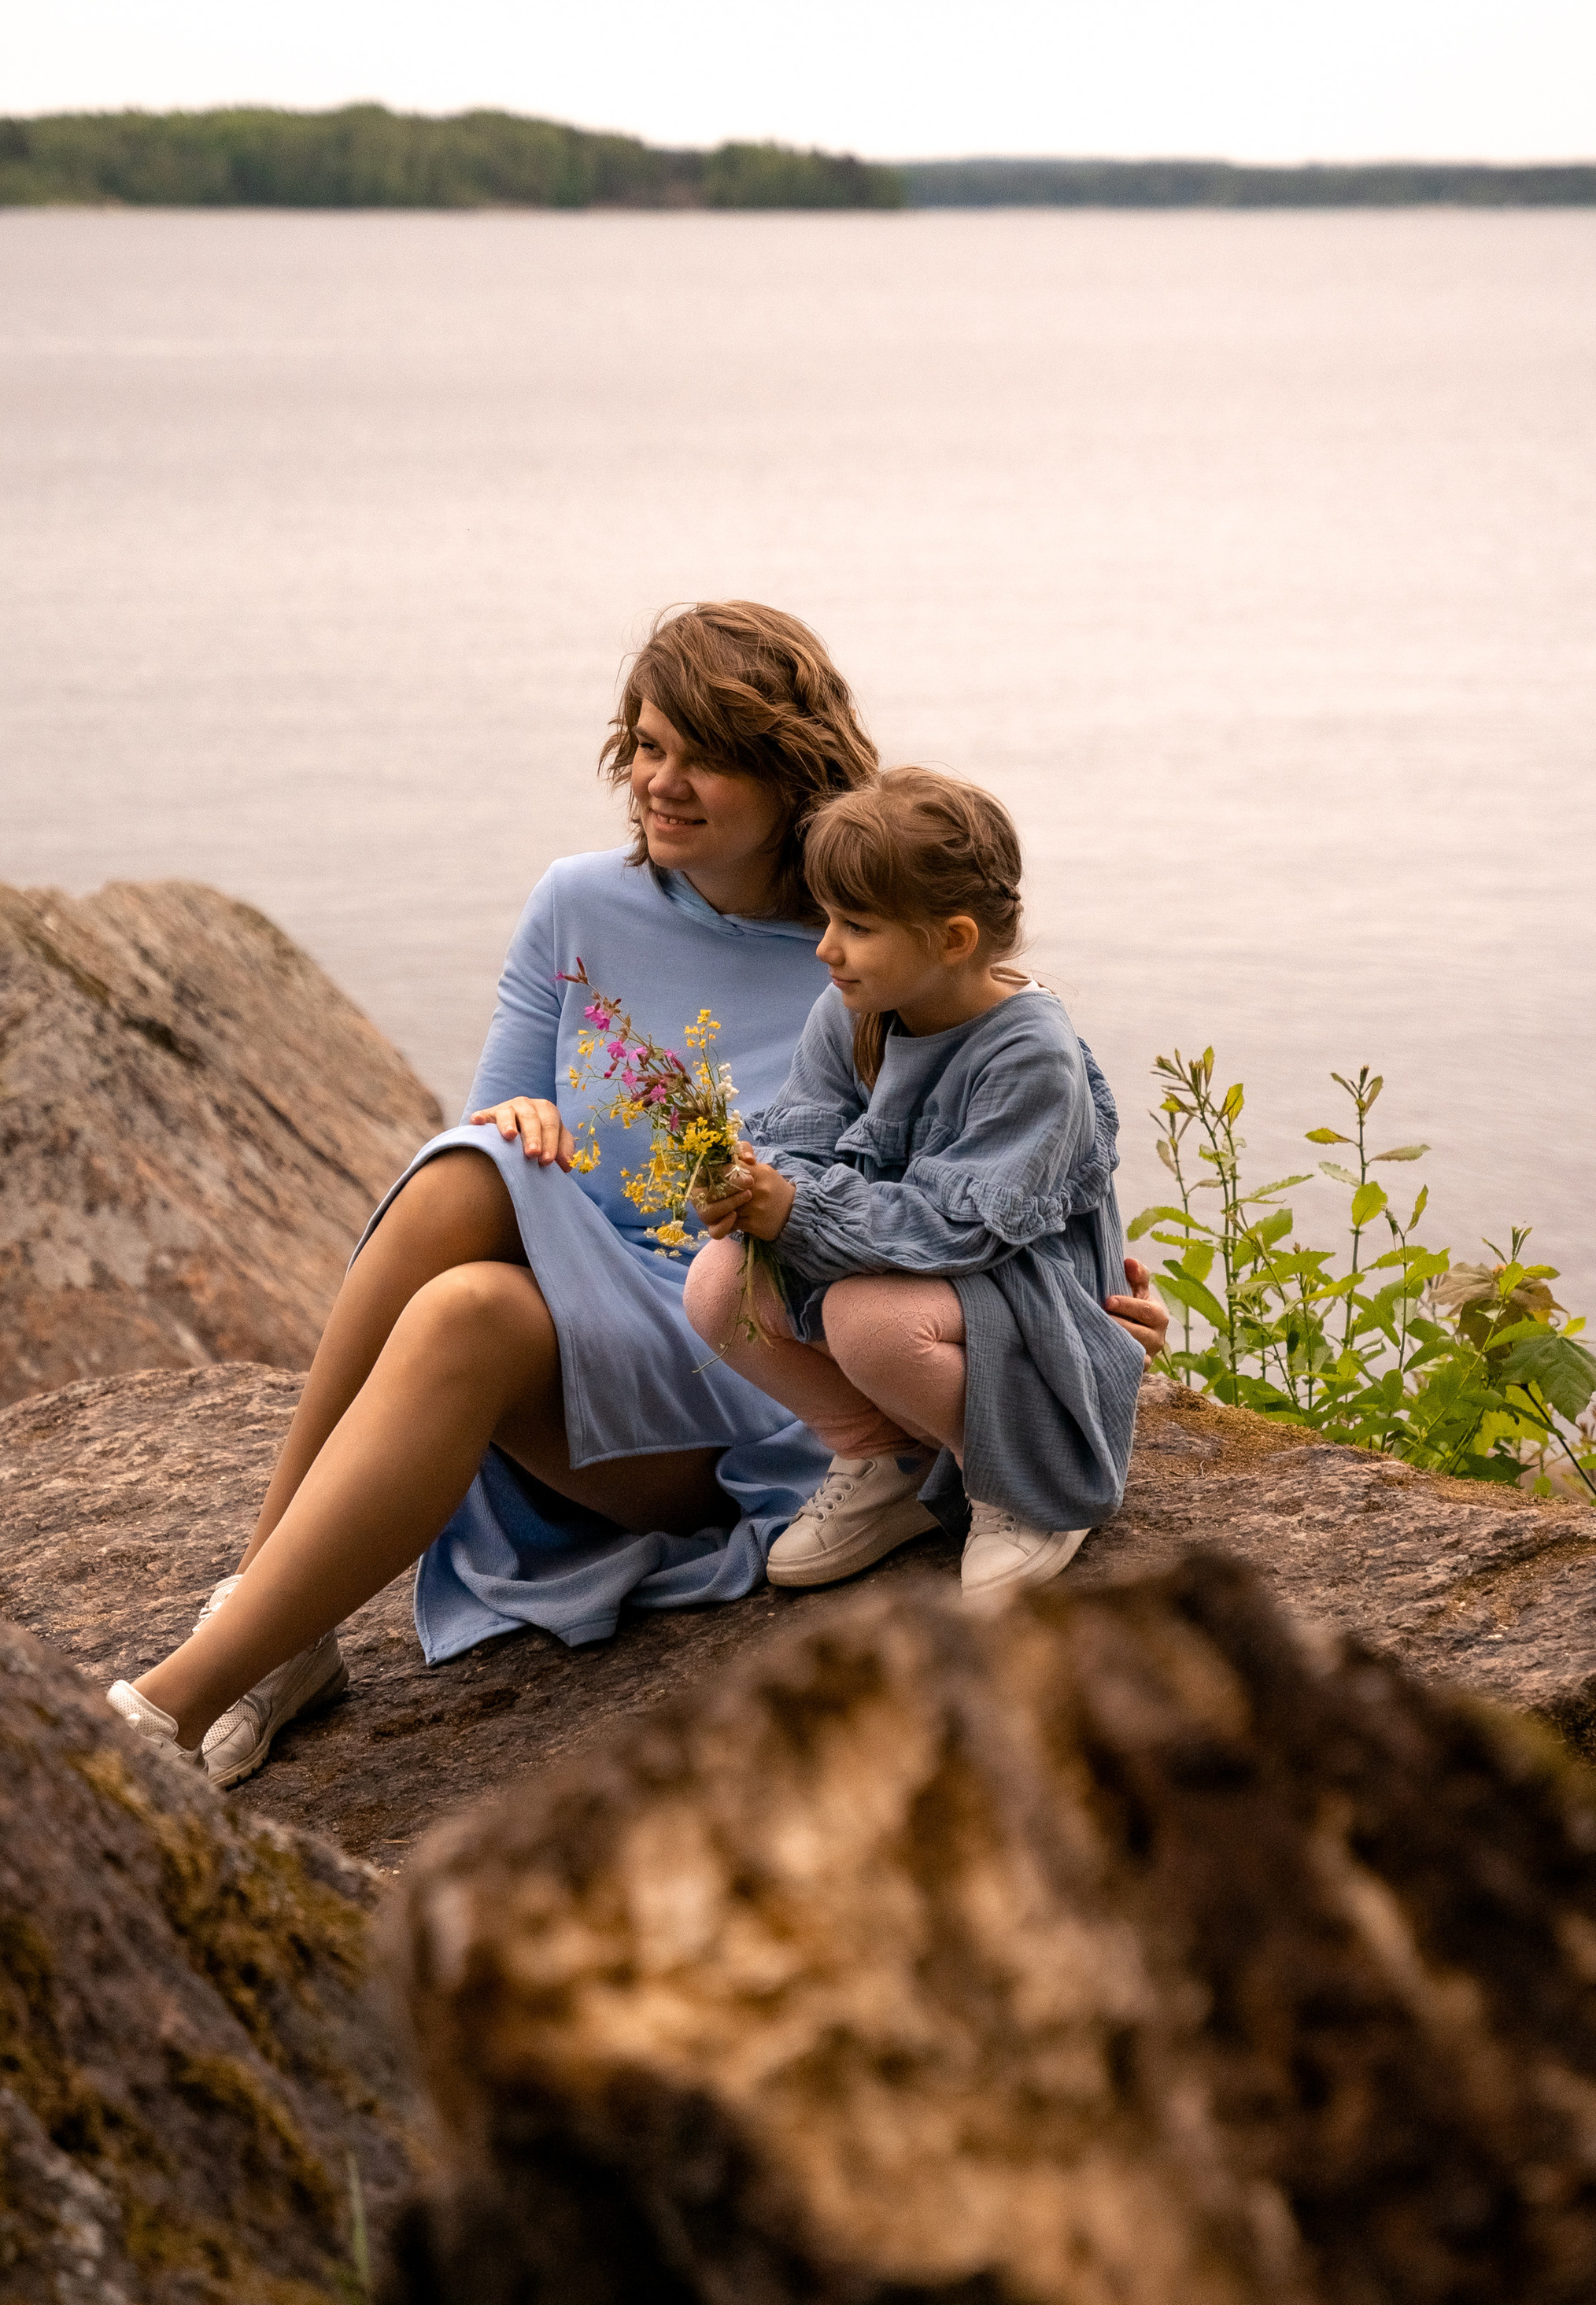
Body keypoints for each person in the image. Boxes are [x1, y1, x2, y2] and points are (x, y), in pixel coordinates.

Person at [107, 607, 1167, 1784]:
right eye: (647, 745)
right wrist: (522, 1120)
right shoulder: (575, 904)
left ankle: (164, 1712)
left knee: (486, 1281)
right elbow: (494, 1120)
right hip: (604, 1325)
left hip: (767, 1369)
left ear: (790, 773)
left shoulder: (874, 942)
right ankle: (265, 1627)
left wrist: (1076, 1311)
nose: (659, 782)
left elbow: (1013, 1136)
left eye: (702, 757)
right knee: (465, 1197)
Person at [685, 766, 1140, 1609]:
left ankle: (1026, 1479)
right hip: (888, 1253)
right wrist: (748, 1191)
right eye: (828, 917)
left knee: (870, 1321)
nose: (826, 947)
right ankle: (888, 1454)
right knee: (718, 1284)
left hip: (1015, 1281)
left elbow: (958, 1230)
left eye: (857, 926)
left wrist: (798, 1210)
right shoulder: (851, 1011)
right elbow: (800, 1141)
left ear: (953, 939)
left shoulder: (1028, 1053)